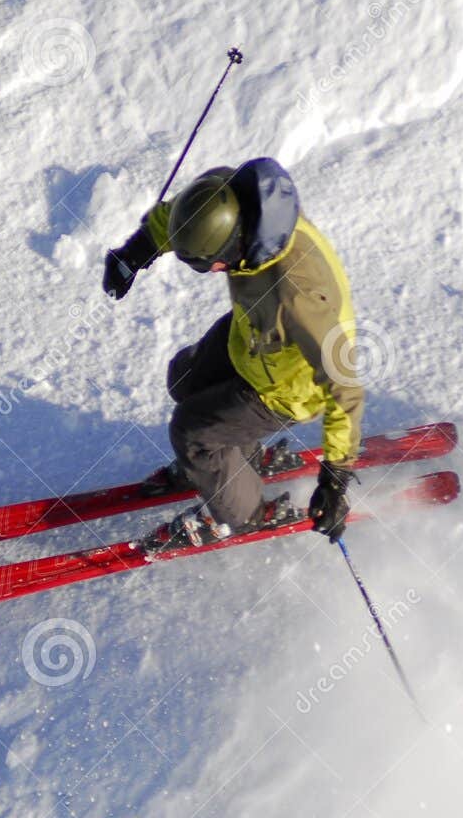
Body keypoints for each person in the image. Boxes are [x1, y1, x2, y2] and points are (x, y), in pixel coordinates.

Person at [104, 157, 363, 548]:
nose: (212, 272)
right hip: (255, 338)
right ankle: (234, 462)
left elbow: (344, 385)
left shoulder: (300, 296)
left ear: (235, 242)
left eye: (211, 265)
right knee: (184, 377)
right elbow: (183, 216)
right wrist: (136, 251)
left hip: (288, 389)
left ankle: (245, 514)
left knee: (191, 430)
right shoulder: (229, 199)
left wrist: (335, 479)